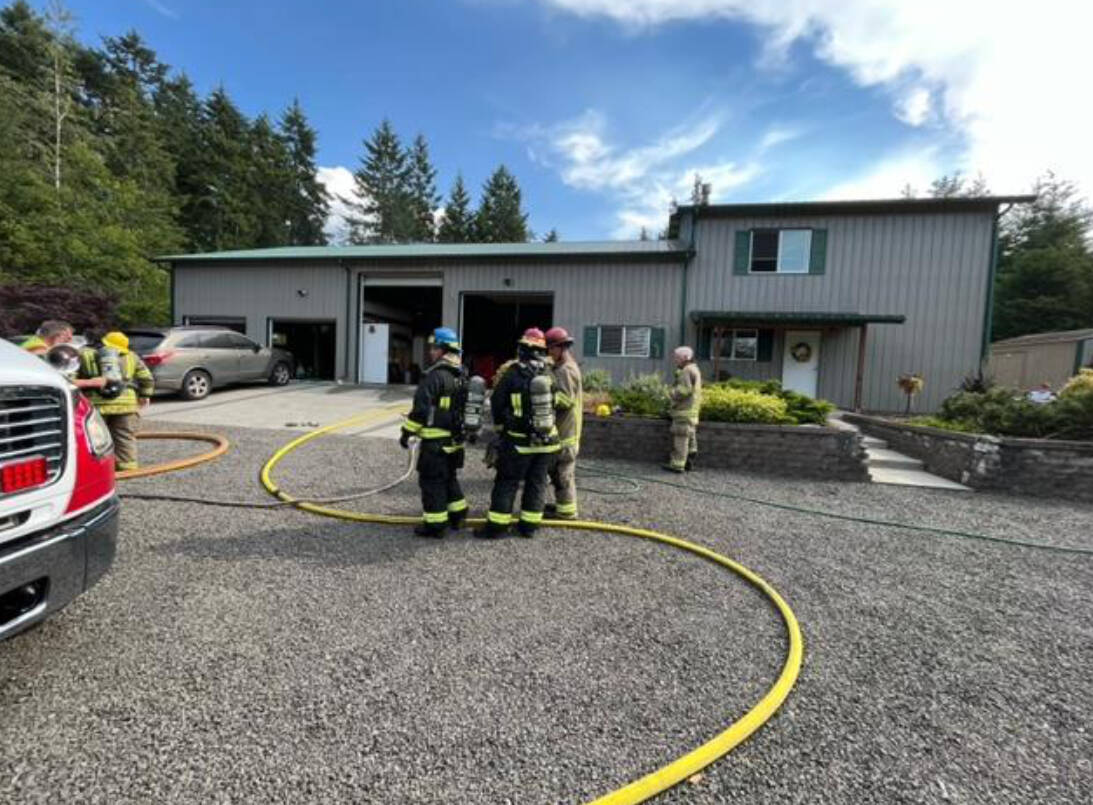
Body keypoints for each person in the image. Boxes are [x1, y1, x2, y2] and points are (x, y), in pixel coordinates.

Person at [475, 328, 560, 539]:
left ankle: (496, 527)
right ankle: (529, 527)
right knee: (537, 482)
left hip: (519, 442)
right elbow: (557, 402)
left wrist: (501, 430)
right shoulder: (549, 374)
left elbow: (497, 402)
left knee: (507, 482)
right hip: (548, 442)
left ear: (522, 349)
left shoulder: (512, 373)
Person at [399, 327, 469, 538]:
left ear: (445, 349)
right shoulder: (461, 375)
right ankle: (458, 515)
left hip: (435, 444)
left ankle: (435, 525)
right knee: (449, 478)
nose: (431, 351)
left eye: (435, 347)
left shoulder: (434, 376)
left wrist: (406, 432)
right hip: (454, 442)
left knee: (431, 482)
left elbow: (420, 410)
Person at [77, 331, 155, 472]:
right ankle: (128, 469)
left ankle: (97, 471)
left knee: (95, 440)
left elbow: (70, 378)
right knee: (124, 437)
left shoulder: (84, 354)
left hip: (97, 406)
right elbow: (147, 379)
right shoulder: (132, 356)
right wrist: (145, 395)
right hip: (126, 406)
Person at [543, 326, 582, 520]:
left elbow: (566, 400)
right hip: (562, 430)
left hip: (566, 433)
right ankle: (562, 505)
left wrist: (545, 396)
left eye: (551, 348)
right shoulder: (560, 367)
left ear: (561, 347)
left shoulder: (566, 370)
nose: (549, 352)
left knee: (564, 473)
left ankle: (567, 512)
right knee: (558, 472)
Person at [665, 345, 702, 473]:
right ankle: (689, 462)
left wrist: (671, 393)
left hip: (683, 412)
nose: (675, 360)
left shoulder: (686, 371)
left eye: (677, 357)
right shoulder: (695, 369)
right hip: (691, 412)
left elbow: (683, 390)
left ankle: (677, 465)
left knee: (681, 439)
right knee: (690, 437)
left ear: (686, 357)